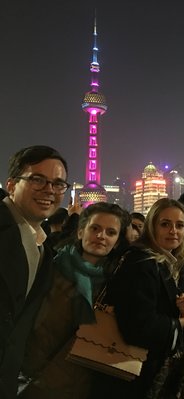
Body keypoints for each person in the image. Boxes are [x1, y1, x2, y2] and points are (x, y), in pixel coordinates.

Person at [19, 202, 129, 399]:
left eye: (110, 232)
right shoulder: (49, 268)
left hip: (85, 385)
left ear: (118, 242)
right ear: (80, 232)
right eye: (95, 228)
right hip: (36, 380)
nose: (101, 236)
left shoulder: (118, 286)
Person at [103, 198, 184, 398]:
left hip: (152, 370)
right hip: (137, 374)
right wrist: (181, 322)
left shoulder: (170, 263)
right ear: (152, 227)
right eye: (165, 224)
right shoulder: (141, 262)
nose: (173, 231)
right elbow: (138, 324)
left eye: (179, 225)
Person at [0, 145, 69, 399]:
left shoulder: (44, 248)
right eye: (38, 179)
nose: (49, 190)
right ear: (11, 184)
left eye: (58, 183)